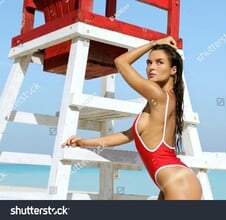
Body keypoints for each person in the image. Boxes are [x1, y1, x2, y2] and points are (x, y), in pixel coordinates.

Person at [63, 36, 202, 200]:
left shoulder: (158, 95)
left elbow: (121, 62)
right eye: (149, 62)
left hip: (178, 182)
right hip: (173, 181)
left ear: (173, 70)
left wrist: (153, 43)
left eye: (159, 62)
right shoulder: (163, 100)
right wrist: (84, 142)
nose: (151, 67)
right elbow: (127, 135)